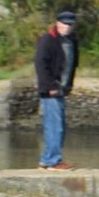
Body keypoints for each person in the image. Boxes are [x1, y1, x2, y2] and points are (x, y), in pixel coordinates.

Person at [35, 9, 81, 167]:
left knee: (58, 125)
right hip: (50, 90)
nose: (67, 27)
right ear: (57, 23)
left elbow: (72, 65)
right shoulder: (48, 40)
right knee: (55, 126)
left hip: (62, 88)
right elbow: (41, 65)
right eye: (64, 23)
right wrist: (50, 86)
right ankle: (52, 160)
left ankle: (48, 159)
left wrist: (68, 86)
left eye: (70, 24)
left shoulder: (72, 41)